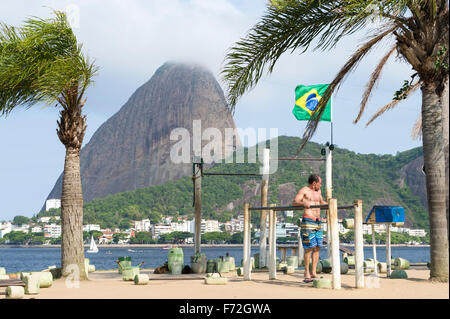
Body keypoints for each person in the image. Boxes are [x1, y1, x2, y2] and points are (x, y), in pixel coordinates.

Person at [292, 174, 327, 283]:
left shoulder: (319, 192)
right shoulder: (304, 190)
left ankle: (313, 272)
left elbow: (322, 203)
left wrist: (330, 204)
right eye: (320, 183)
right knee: (309, 248)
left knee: (317, 247)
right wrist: (303, 203)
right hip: (308, 221)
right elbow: (294, 202)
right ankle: (306, 272)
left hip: (318, 222)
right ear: (314, 183)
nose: (320, 185)